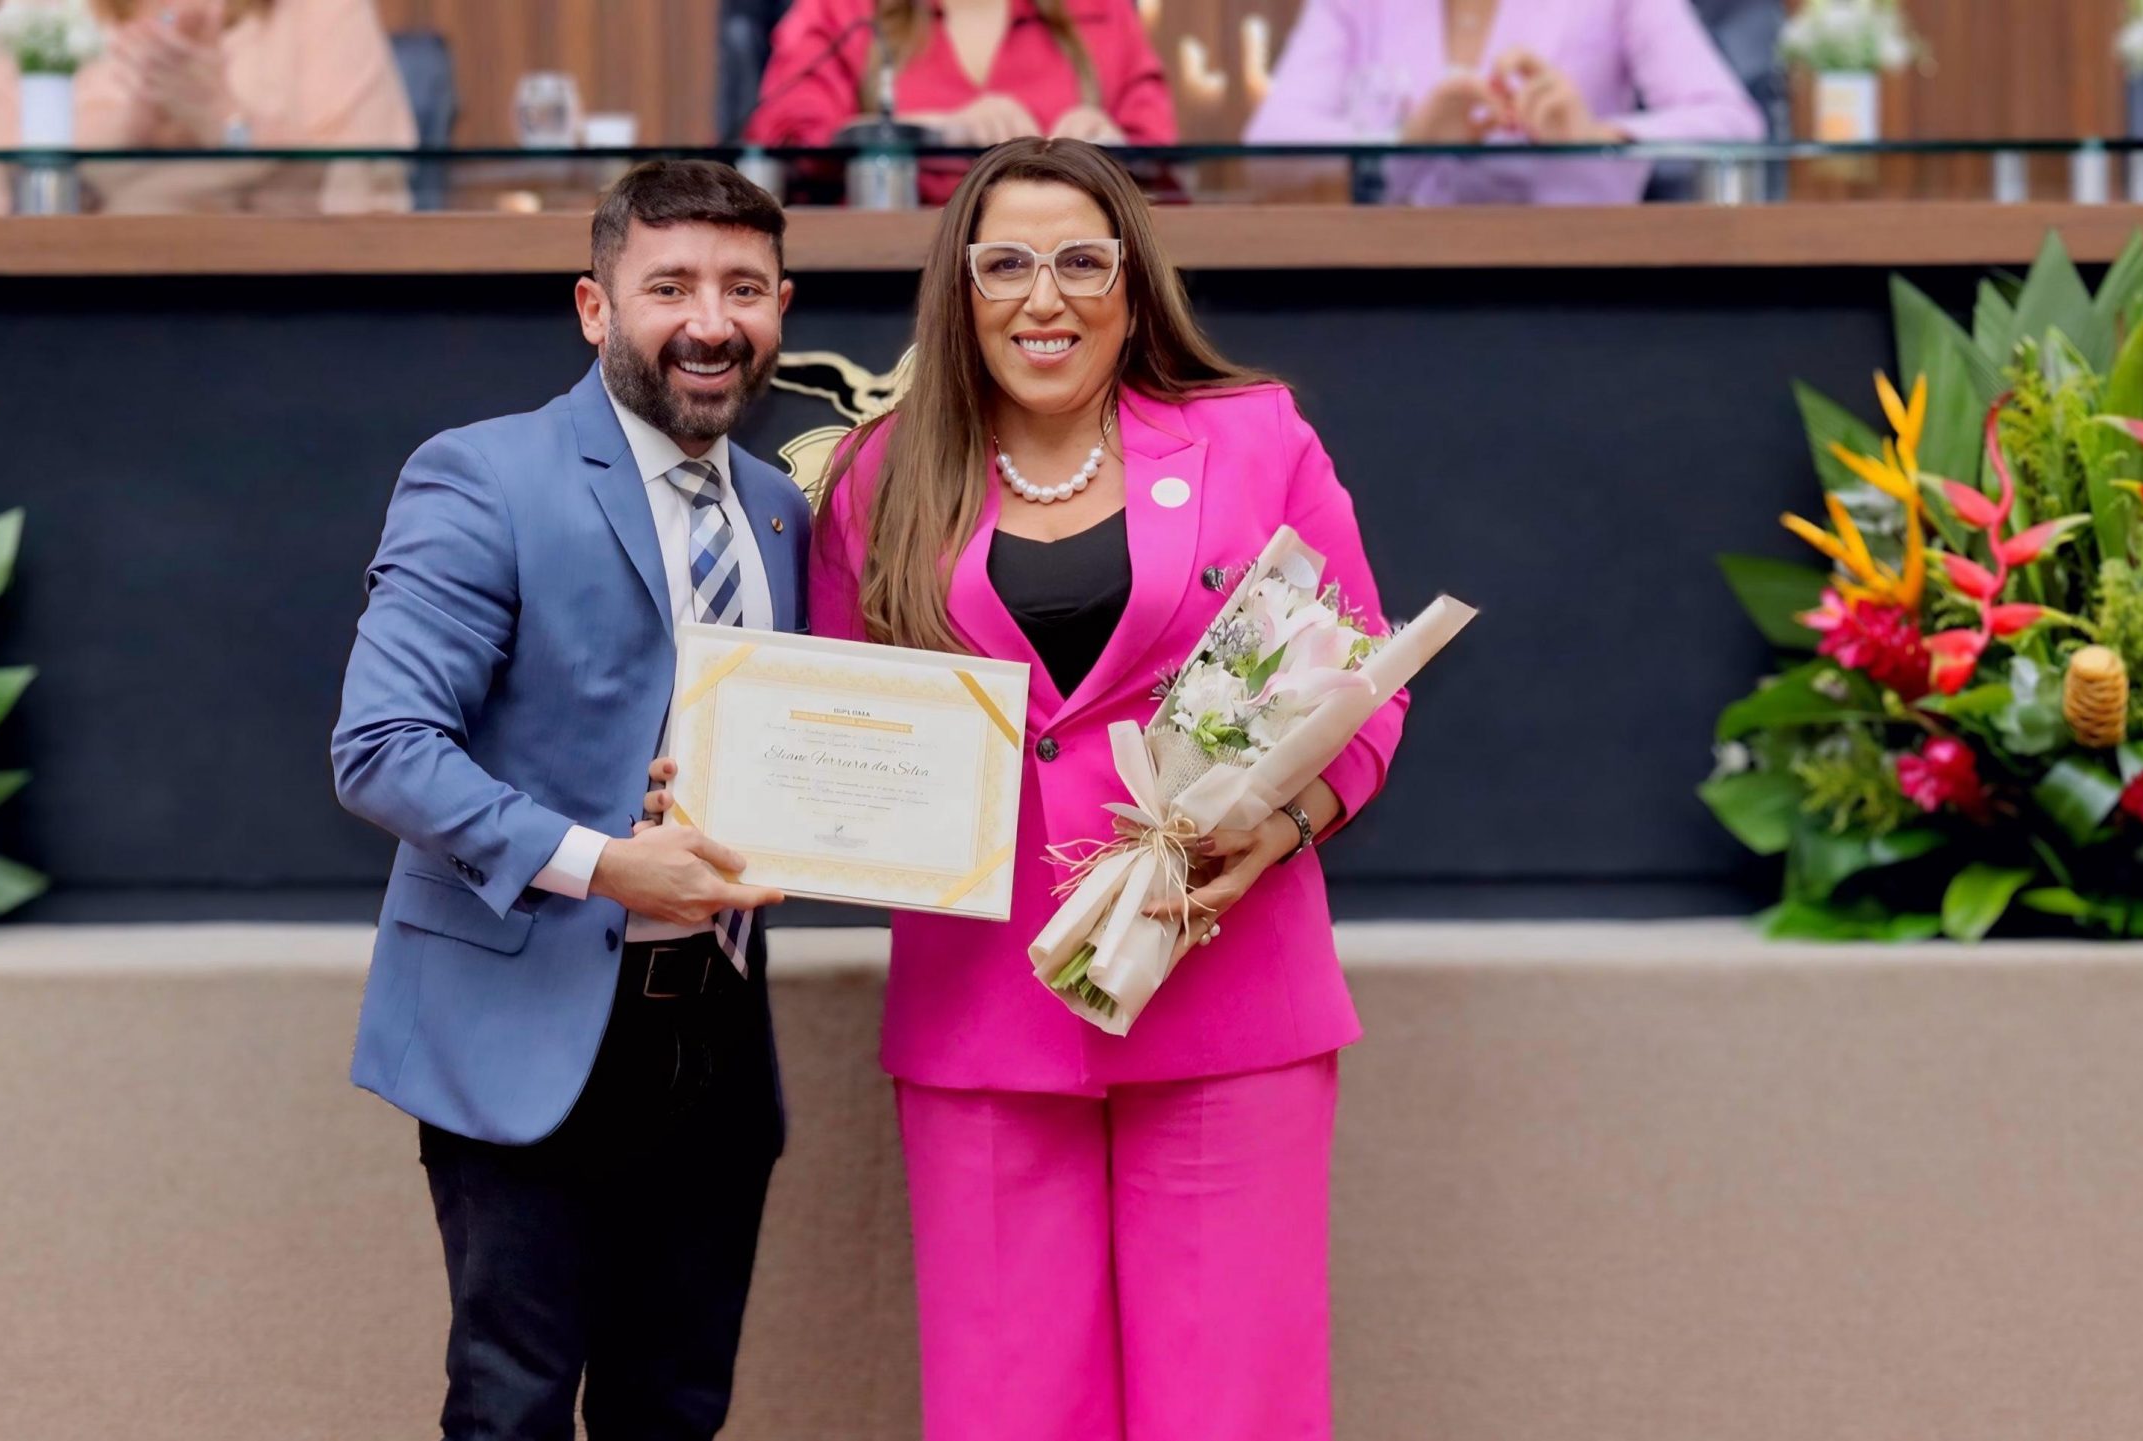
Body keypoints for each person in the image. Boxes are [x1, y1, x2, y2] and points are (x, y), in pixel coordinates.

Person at [671, 137, 1402, 1436]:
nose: (1042, 296)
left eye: (1079, 260)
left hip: (1223, 982)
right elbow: (842, 712)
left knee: (1232, 1402)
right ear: (959, 290)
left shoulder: (1254, 437)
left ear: (1133, 283)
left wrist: (1286, 825)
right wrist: (745, 799)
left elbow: (1363, 683)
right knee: (1006, 1402)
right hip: (984, 1015)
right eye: (1003, 263)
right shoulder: (879, 478)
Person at [330, 161, 808, 1441]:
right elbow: (380, 746)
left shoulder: (777, 511)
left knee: (677, 1407)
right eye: (670, 286)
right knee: (513, 1407)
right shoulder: (481, 475)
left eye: (743, 287)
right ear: (596, 308)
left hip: (713, 1037)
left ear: (780, 307)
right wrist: (604, 861)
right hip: (524, 1026)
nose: (710, 320)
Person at [1244, 0, 1764, 205]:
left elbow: (1734, 124)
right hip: (1393, 286)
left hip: (1584, 282)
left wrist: (1595, 137)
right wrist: (1407, 143)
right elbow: (1268, 147)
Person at [0, 0, 415, 214]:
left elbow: (372, 196)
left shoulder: (324, 9)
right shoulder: (39, 11)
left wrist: (225, 121)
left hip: (281, 304)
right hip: (67, 309)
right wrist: (130, 134)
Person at [744, 0, 1174, 201]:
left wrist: (1113, 147)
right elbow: (788, 135)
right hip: (885, 286)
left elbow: (1162, 152)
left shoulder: (1102, 10)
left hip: (1064, 270)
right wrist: (935, 131)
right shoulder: (841, 9)